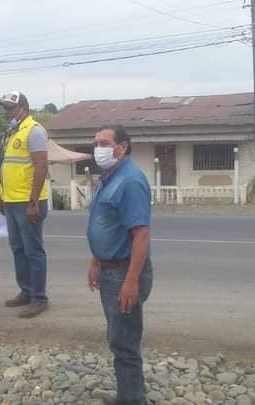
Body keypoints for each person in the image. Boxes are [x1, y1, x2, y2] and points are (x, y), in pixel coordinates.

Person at [86, 125, 153, 405]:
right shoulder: (109, 177)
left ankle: (132, 400)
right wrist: (96, 260)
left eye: (103, 143)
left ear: (122, 147)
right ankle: (129, 394)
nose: (97, 149)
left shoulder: (130, 181)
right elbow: (108, 225)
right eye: (95, 143)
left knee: (124, 341)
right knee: (119, 337)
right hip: (109, 267)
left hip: (123, 272)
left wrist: (131, 281)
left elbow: (141, 235)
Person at [0, 91, 50, 318]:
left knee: (33, 251)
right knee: (18, 248)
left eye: (10, 108)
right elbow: (6, 168)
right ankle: (26, 290)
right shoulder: (11, 132)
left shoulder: (34, 131)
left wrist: (33, 202)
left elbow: (41, 167)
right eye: (4, 109)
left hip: (28, 202)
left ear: (23, 108)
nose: (6, 113)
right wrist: (1, 199)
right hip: (11, 201)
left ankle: (39, 298)